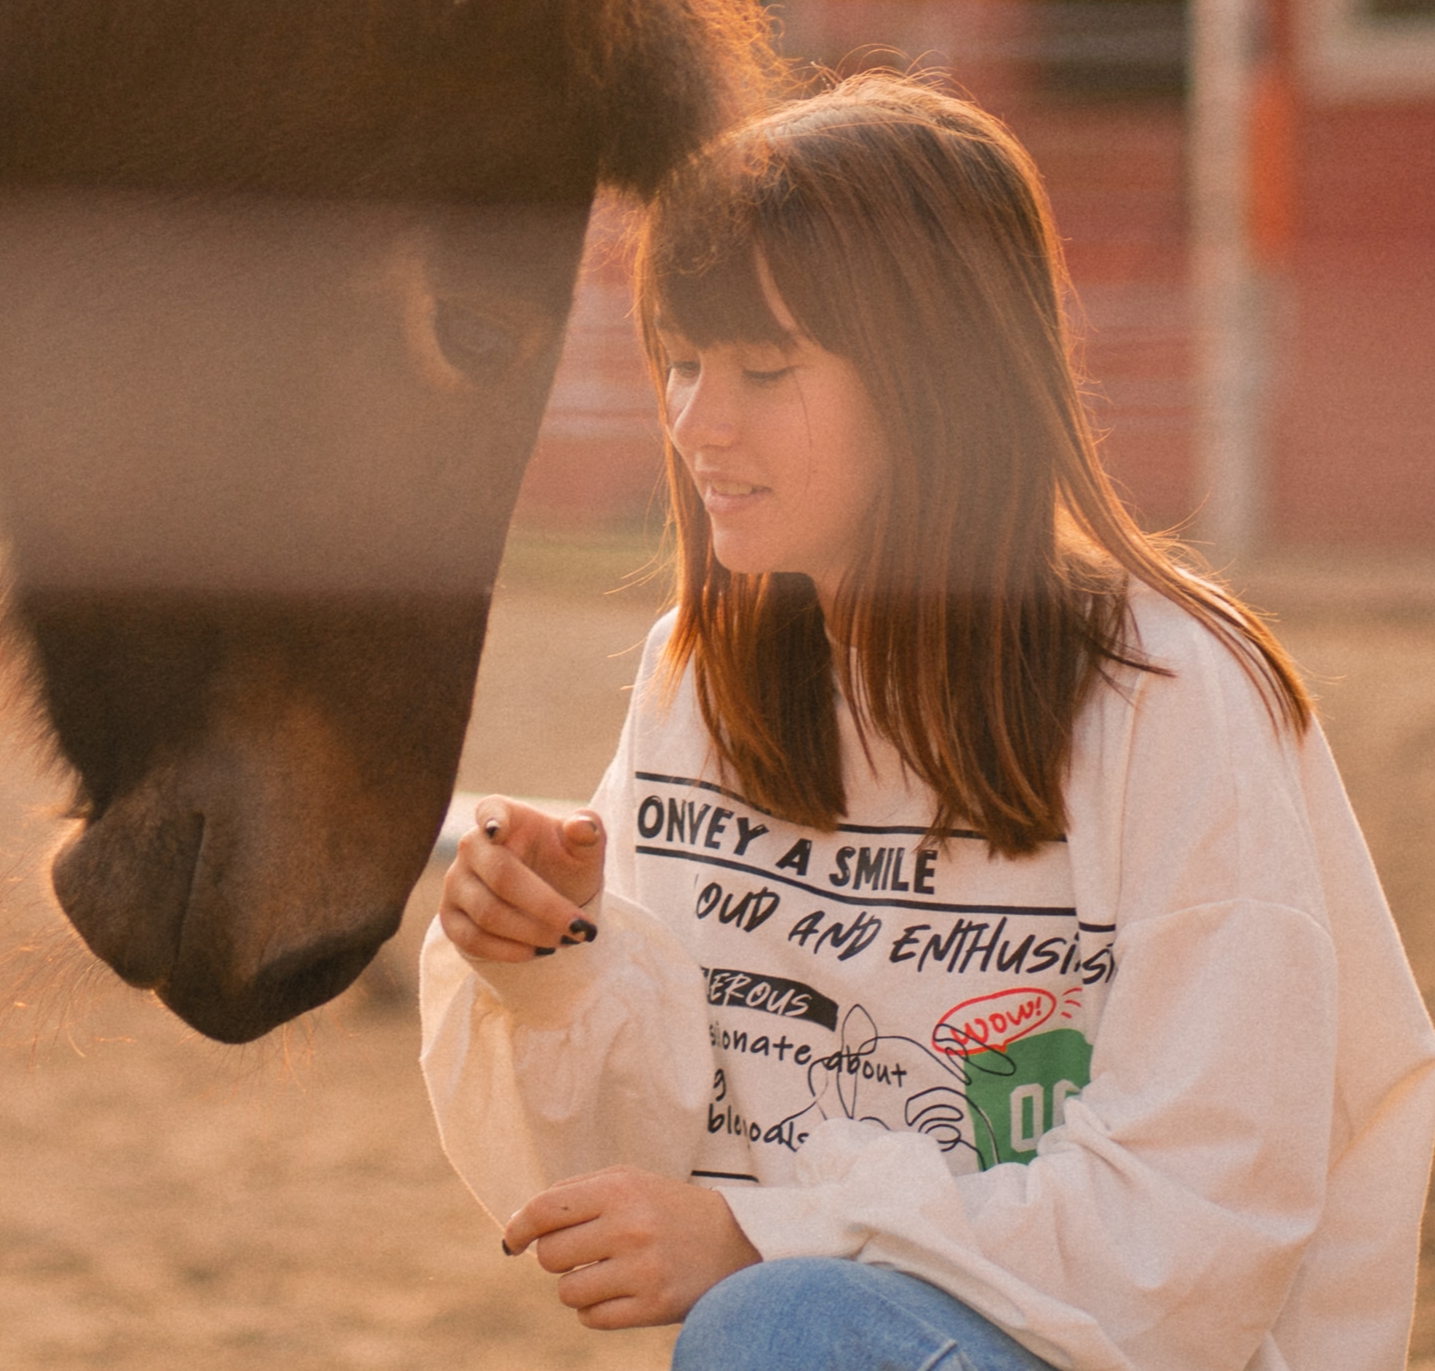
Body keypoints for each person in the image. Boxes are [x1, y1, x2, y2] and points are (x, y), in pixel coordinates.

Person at [421, 74, 1435, 1370]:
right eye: (679, 358)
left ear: (937, 377)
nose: (693, 420)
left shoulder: (1167, 695)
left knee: (780, 1318)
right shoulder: (700, 677)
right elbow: (638, 1185)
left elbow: (1201, 1216)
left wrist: (763, 1234)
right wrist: (552, 956)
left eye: (762, 366)